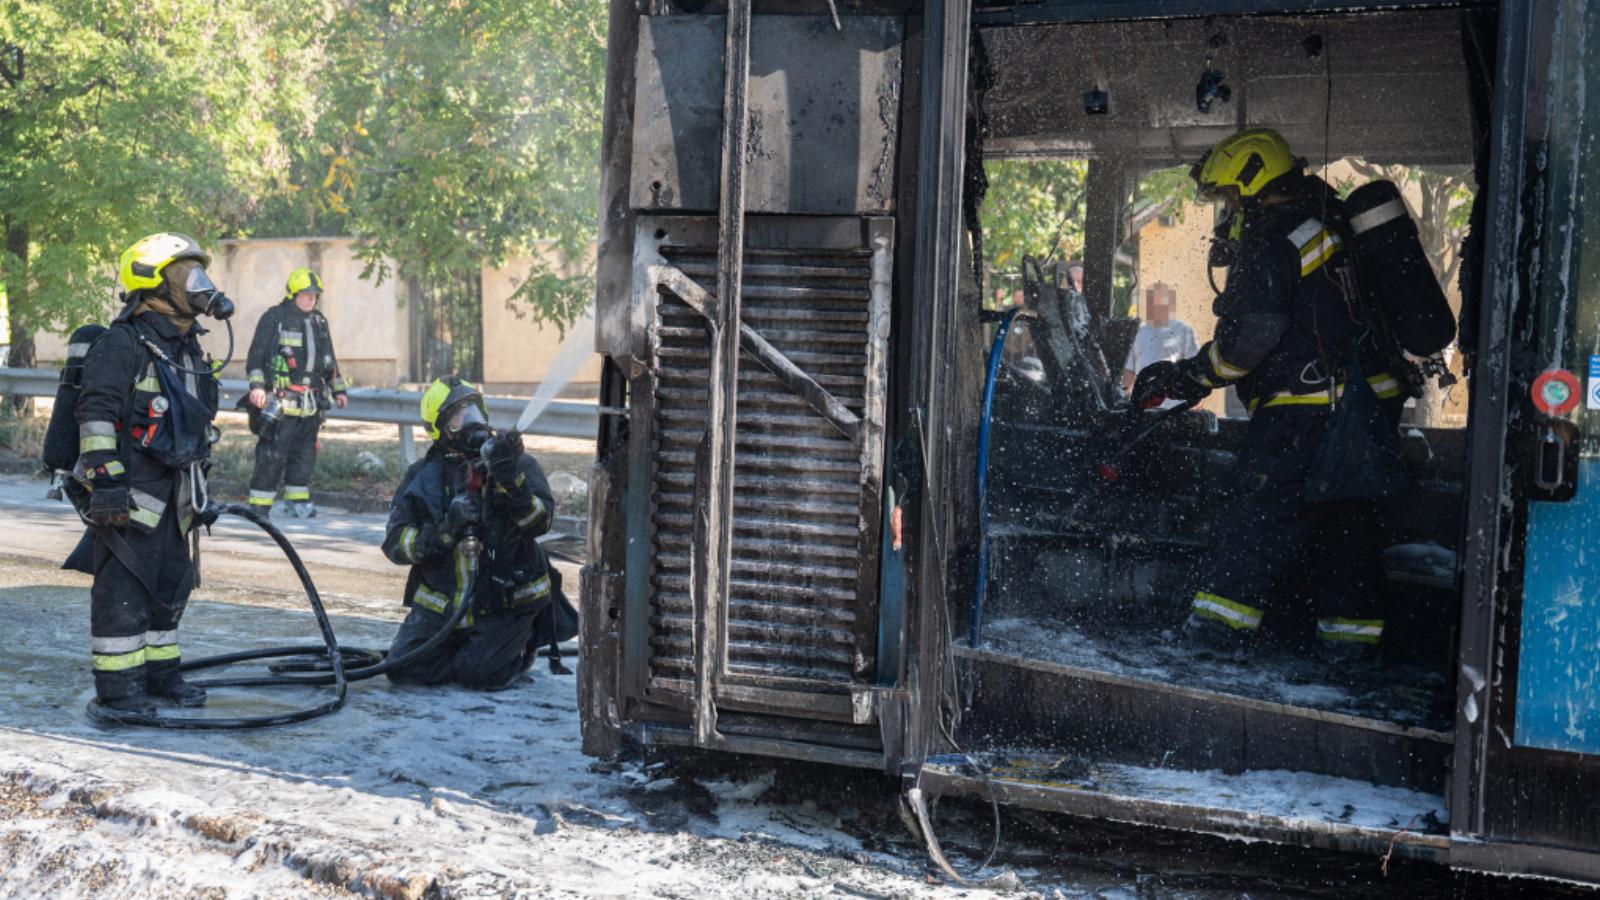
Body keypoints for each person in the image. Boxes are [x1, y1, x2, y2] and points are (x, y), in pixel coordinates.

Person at [1131, 128, 1404, 663]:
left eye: (1228, 196)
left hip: (1304, 412)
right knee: (1345, 526)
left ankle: (1212, 637)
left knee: (1253, 517)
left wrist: (1190, 377)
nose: (1226, 210)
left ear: (1251, 185)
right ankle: (1350, 654)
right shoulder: (1325, 224)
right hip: (1363, 408)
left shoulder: (1273, 234)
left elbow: (1247, 341)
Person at [68, 233, 228, 714]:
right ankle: (119, 690)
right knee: (124, 593)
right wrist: (108, 484)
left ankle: (161, 676)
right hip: (130, 495)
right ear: (153, 282)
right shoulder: (123, 345)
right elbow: (95, 414)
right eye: (188, 275)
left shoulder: (185, 348)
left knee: (169, 588)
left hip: (177, 494)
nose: (200, 286)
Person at [381, 376, 573, 689]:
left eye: (474, 410)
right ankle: (466, 649)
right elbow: (395, 544)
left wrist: (511, 482)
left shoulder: (518, 465)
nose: (472, 421)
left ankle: (516, 650)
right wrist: (445, 530)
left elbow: (539, 522)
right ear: (441, 430)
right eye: (458, 416)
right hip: (444, 607)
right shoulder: (422, 477)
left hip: (504, 603)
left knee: (482, 675)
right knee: (403, 670)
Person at [244, 268, 352, 518]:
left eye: (315, 295)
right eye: (306, 295)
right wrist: (258, 387)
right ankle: (259, 507)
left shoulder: (319, 321)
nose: (311, 299)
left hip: (311, 404)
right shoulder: (274, 318)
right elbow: (255, 357)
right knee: (272, 455)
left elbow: (330, 360)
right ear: (293, 294)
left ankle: (298, 502)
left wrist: (339, 390)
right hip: (280, 403)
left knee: (304, 455)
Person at [1121, 283, 1199, 408]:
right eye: (1150, 301)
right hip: (1144, 407)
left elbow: (1196, 369)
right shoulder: (1138, 332)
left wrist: (1195, 402)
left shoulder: (1184, 331)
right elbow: (1129, 372)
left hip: (1176, 408)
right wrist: (1122, 395)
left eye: (1159, 301)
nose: (1154, 305)